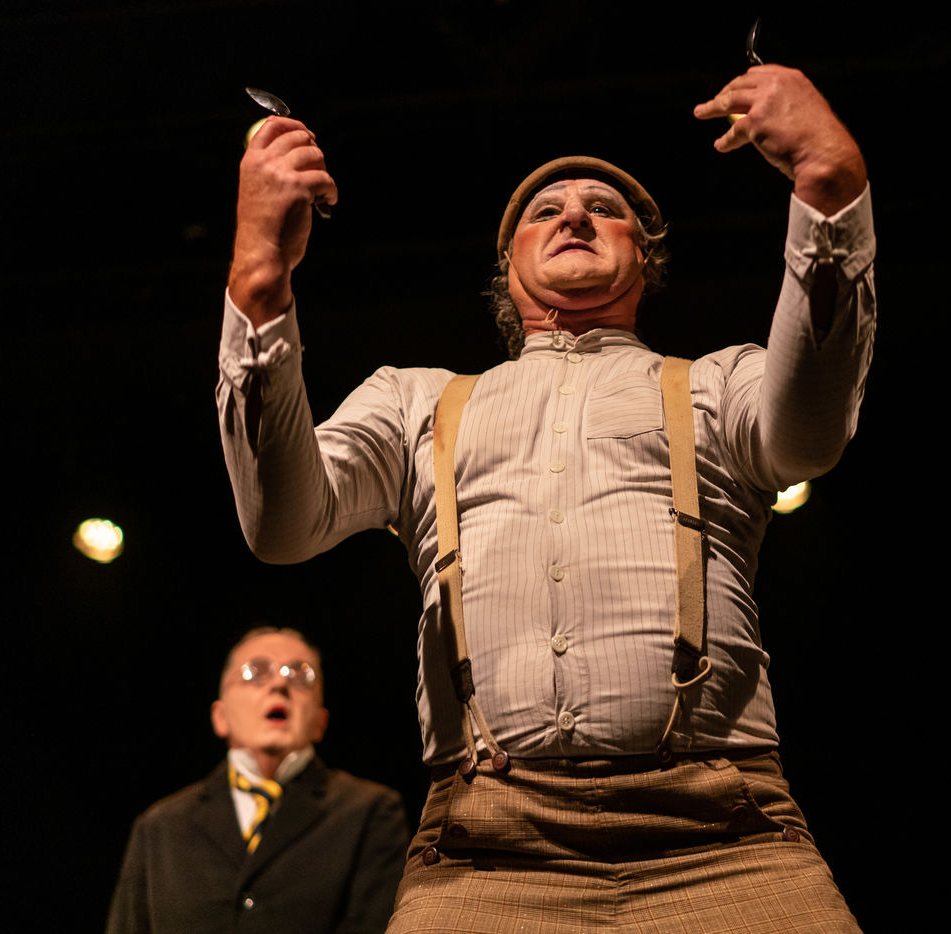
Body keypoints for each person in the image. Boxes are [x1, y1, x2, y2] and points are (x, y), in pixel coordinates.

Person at [217, 61, 875, 933]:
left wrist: (830, 190)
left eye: (605, 208)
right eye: (545, 210)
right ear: (508, 265)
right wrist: (259, 278)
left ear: (645, 255)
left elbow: (811, 431)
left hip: (725, 834)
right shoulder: (415, 404)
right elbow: (282, 526)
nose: (574, 215)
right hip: (487, 847)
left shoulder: (718, 385)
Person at [106, 627, 410, 934]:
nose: (279, 684)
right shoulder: (160, 826)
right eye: (255, 672)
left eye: (300, 676)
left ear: (321, 721)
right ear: (220, 716)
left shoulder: (369, 812)